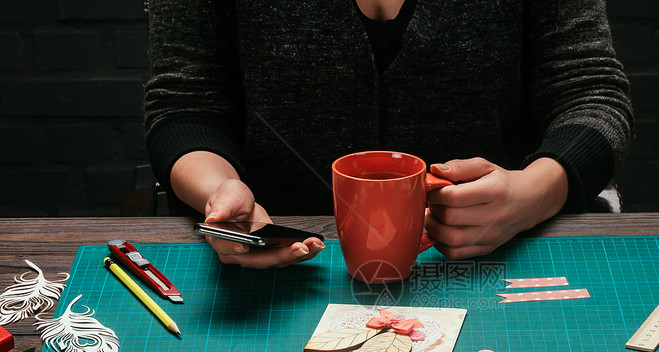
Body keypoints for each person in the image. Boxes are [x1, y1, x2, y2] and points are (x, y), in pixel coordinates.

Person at [144, 0, 633, 269]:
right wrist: (218, 193)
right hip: (285, 271)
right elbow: (187, 104)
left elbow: (592, 94)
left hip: (504, 256)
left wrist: (534, 193)